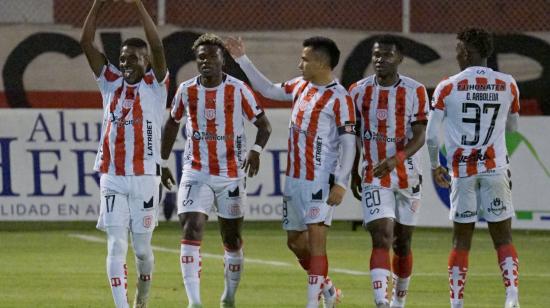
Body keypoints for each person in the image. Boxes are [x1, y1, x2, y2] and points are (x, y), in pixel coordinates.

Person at [225, 36, 356, 308]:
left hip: (319, 179)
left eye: (305, 59)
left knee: (317, 242)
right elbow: (269, 90)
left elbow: (349, 143)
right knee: (295, 242)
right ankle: (328, 288)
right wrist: (242, 59)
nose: (299, 64)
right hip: (294, 179)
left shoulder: (340, 98)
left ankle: (313, 303)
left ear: (322, 62)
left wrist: (341, 182)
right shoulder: (300, 86)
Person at [160, 33, 272, 308]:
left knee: (231, 238)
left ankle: (229, 297)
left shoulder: (239, 90)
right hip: (195, 171)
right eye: (201, 58)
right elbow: (173, 123)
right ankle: (194, 302)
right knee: (192, 228)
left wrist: (256, 151)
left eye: (212, 56)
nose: (206, 61)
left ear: (223, 60)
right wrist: (162, 163)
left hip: (231, 175)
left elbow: (264, 126)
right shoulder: (186, 90)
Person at [80, 0, 168, 307]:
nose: (127, 62)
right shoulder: (109, 82)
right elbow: (86, 42)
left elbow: (157, 46)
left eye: (133, 58)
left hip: (145, 178)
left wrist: (137, 5)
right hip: (112, 176)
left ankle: (143, 293)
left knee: (142, 250)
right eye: (123, 58)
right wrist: (99, 3)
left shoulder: (155, 85)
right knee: (116, 244)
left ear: (145, 61)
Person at [426, 27, 520, 308]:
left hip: (463, 171)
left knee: (460, 240)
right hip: (495, 168)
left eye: (457, 49)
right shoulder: (508, 83)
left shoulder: (448, 85)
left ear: (466, 51)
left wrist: (435, 165)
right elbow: (513, 128)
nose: (455, 53)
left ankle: (456, 303)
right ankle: (512, 296)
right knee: (502, 236)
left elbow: (431, 136)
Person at [348, 35, 428, 308]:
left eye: (387, 55)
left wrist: (397, 159)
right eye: (376, 55)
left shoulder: (416, 91)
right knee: (381, 234)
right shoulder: (357, 91)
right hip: (374, 175)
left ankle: (399, 301)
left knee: (403, 243)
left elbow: (419, 136)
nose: (380, 60)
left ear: (400, 58)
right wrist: (354, 169)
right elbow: (354, 135)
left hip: (408, 175)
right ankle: (381, 301)